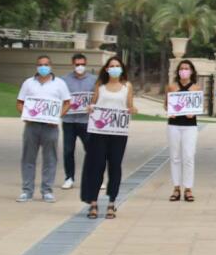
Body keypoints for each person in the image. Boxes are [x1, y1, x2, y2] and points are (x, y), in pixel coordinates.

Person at [82, 57, 137, 219]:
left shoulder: (127, 86)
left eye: (117, 66)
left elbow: (129, 105)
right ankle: (93, 202)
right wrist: (90, 109)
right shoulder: (100, 86)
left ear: (122, 69)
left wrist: (133, 109)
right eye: (111, 66)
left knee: (115, 166)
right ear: (106, 69)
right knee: (96, 166)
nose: (114, 68)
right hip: (99, 133)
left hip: (118, 133)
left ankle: (112, 202)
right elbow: (93, 104)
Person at [16, 55, 71, 203]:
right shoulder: (28, 83)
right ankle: (27, 191)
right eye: (40, 64)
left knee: (50, 159)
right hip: (31, 126)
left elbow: (67, 103)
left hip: (50, 127)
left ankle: (47, 191)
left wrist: (57, 116)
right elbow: (20, 103)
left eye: (46, 64)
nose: (43, 67)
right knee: (28, 158)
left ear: (51, 66)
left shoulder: (59, 83)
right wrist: (26, 114)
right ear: (36, 66)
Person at [165, 59, 202, 203]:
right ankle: (176, 187)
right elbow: (166, 105)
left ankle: (188, 188)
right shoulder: (172, 87)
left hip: (190, 125)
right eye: (181, 68)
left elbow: (199, 107)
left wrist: (193, 113)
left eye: (186, 68)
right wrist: (170, 111)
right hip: (174, 124)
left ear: (191, 71)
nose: (184, 71)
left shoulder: (196, 88)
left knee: (188, 156)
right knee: (175, 156)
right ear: (178, 71)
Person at [60, 53, 96, 191]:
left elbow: (97, 97)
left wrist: (93, 105)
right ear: (72, 64)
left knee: (91, 150)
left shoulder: (94, 80)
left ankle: (94, 176)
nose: (80, 67)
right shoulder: (64, 80)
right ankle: (69, 177)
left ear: (86, 64)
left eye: (82, 64)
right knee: (68, 150)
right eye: (77, 64)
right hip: (69, 120)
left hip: (86, 121)